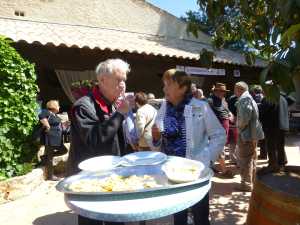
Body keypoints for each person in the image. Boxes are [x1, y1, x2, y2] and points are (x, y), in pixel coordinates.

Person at [152, 69, 226, 225]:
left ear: (183, 88)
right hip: (173, 172)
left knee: (200, 215)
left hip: (196, 172)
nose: (164, 89)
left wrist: (206, 159)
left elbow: (219, 134)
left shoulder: (200, 106)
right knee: (178, 215)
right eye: (164, 85)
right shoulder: (164, 108)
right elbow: (157, 140)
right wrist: (156, 137)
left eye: (168, 85)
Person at [66, 58, 131, 225]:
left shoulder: (113, 105)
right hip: (89, 180)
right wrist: (120, 114)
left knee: (116, 219)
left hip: (112, 175)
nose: (123, 84)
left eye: (124, 80)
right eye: (118, 80)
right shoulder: (83, 107)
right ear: (102, 80)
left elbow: (118, 139)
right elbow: (95, 140)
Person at [234, 81, 264, 192]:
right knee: (251, 157)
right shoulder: (248, 98)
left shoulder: (244, 99)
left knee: (245, 159)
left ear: (240, 89)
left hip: (246, 134)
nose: (234, 91)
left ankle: (246, 184)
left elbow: (244, 118)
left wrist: (239, 127)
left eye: (235, 89)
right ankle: (251, 181)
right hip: (252, 133)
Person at [207, 83, 233, 177]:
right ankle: (224, 170)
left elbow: (226, 110)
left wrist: (230, 114)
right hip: (216, 129)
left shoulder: (222, 101)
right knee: (219, 149)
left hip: (224, 127)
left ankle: (212, 166)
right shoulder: (209, 101)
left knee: (219, 148)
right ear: (216, 91)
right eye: (221, 91)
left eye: (224, 92)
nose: (223, 93)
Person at [259, 93, 289, 173]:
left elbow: (262, 111)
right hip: (281, 125)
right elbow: (292, 100)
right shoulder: (282, 97)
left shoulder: (270, 97)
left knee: (271, 147)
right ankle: (281, 164)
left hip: (272, 127)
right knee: (280, 146)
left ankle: (273, 165)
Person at [39, 100, 68, 181]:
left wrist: (65, 125)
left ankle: (45, 157)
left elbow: (58, 125)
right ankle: (50, 176)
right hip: (50, 138)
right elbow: (41, 116)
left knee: (64, 150)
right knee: (50, 159)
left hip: (57, 139)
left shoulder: (54, 115)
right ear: (54, 106)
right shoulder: (46, 112)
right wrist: (47, 126)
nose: (59, 107)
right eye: (58, 105)